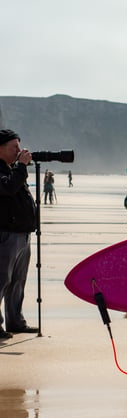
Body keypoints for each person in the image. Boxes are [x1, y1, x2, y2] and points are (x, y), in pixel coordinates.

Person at [0, 129, 39, 339]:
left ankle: (15, 321)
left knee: (17, 281)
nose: (18, 150)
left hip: (22, 233)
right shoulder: (5, 171)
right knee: (1, 279)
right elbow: (7, 189)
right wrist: (21, 166)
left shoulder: (11, 169)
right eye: (13, 147)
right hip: (5, 234)